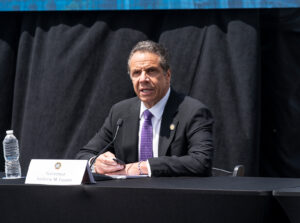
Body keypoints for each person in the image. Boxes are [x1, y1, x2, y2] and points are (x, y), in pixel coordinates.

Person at [76, 40, 213, 177]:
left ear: (167, 75)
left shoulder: (192, 111)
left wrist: (143, 167)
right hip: (126, 196)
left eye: (151, 71)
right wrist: (96, 162)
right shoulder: (120, 112)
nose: (143, 79)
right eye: (136, 73)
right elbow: (83, 155)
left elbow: (201, 161)